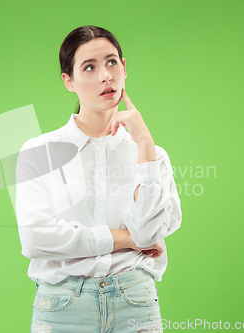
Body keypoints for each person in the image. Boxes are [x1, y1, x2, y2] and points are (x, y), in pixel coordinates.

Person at [15, 25, 182, 333]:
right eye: (89, 67)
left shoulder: (152, 156)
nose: (106, 75)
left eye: (111, 62)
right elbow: (36, 238)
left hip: (134, 302)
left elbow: (150, 231)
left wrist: (144, 144)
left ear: (124, 68)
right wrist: (127, 239)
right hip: (63, 307)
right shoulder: (40, 152)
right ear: (69, 81)